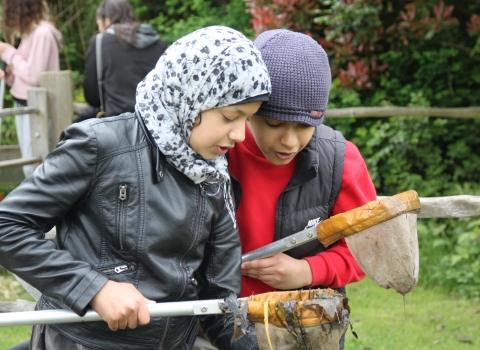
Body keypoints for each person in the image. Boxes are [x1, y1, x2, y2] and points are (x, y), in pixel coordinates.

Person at [0, 26, 271, 350]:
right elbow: (7, 226)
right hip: (79, 342)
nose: (240, 135)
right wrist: (93, 288)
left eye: (247, 119)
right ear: (191, 96)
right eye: (230, 116)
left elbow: (220, 306)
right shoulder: (101, 145)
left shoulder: (216, 180)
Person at [224, 29, 377, 349]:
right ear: (249, 108)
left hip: (309, 325)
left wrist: (307, 270)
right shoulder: (217, 151)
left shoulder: (340, 161)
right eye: (275, 124)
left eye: (306, 126)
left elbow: (369, 250)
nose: (290, 142)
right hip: (223, 321)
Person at [0, 0, 62, 178]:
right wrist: (10, 75)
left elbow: (35, 76)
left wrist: (8, 52)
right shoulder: (31, 34)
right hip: (25, 105)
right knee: (30, 163)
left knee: (35, 166)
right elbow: (26, 74)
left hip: (36, 109)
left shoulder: (42, 34)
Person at [78, 0, 167, 121]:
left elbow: (93, 97)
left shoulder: (100, 42)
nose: (100, 29)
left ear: (107, 19)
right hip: (156, 123)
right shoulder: (159, 43)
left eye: (99, 24)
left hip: (116, 125)